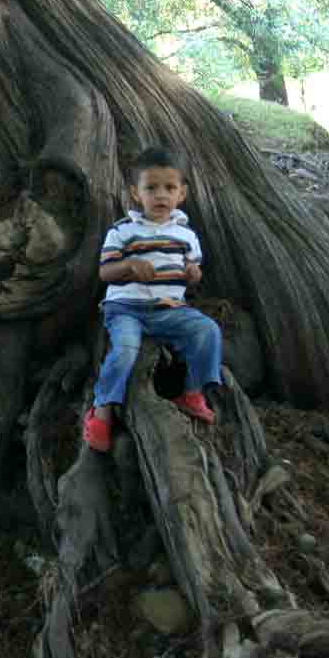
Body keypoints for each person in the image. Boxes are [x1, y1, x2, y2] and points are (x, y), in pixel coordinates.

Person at [82, 146, 223, 452]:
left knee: (207, 331)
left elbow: (192, 267)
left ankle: (192, 390)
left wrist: (192, 272)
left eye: (169, 188)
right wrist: (129, 266)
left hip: (169, 310)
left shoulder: (186, 235)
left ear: (182, 194)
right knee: (125, 350)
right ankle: (102, 409)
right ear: (136, 193)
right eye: (151, 188)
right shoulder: (123, 230)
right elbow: (105, 272)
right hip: (127, 310)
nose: (161, 195)